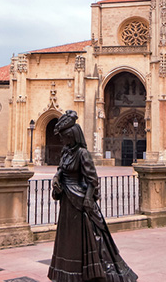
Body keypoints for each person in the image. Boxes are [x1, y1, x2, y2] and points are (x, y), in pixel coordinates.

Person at [48, 110, 137, 282]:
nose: (62, 140)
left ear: (72, 136)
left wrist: (88, 199)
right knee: (69, 239)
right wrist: (56, 179)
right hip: (68, 201)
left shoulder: (82, 154)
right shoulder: (66, 152)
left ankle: (90, 273)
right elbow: (60, 170)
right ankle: (68, 273)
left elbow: (92, 179)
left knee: (87, 238)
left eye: (64, 136)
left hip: (80, 201)